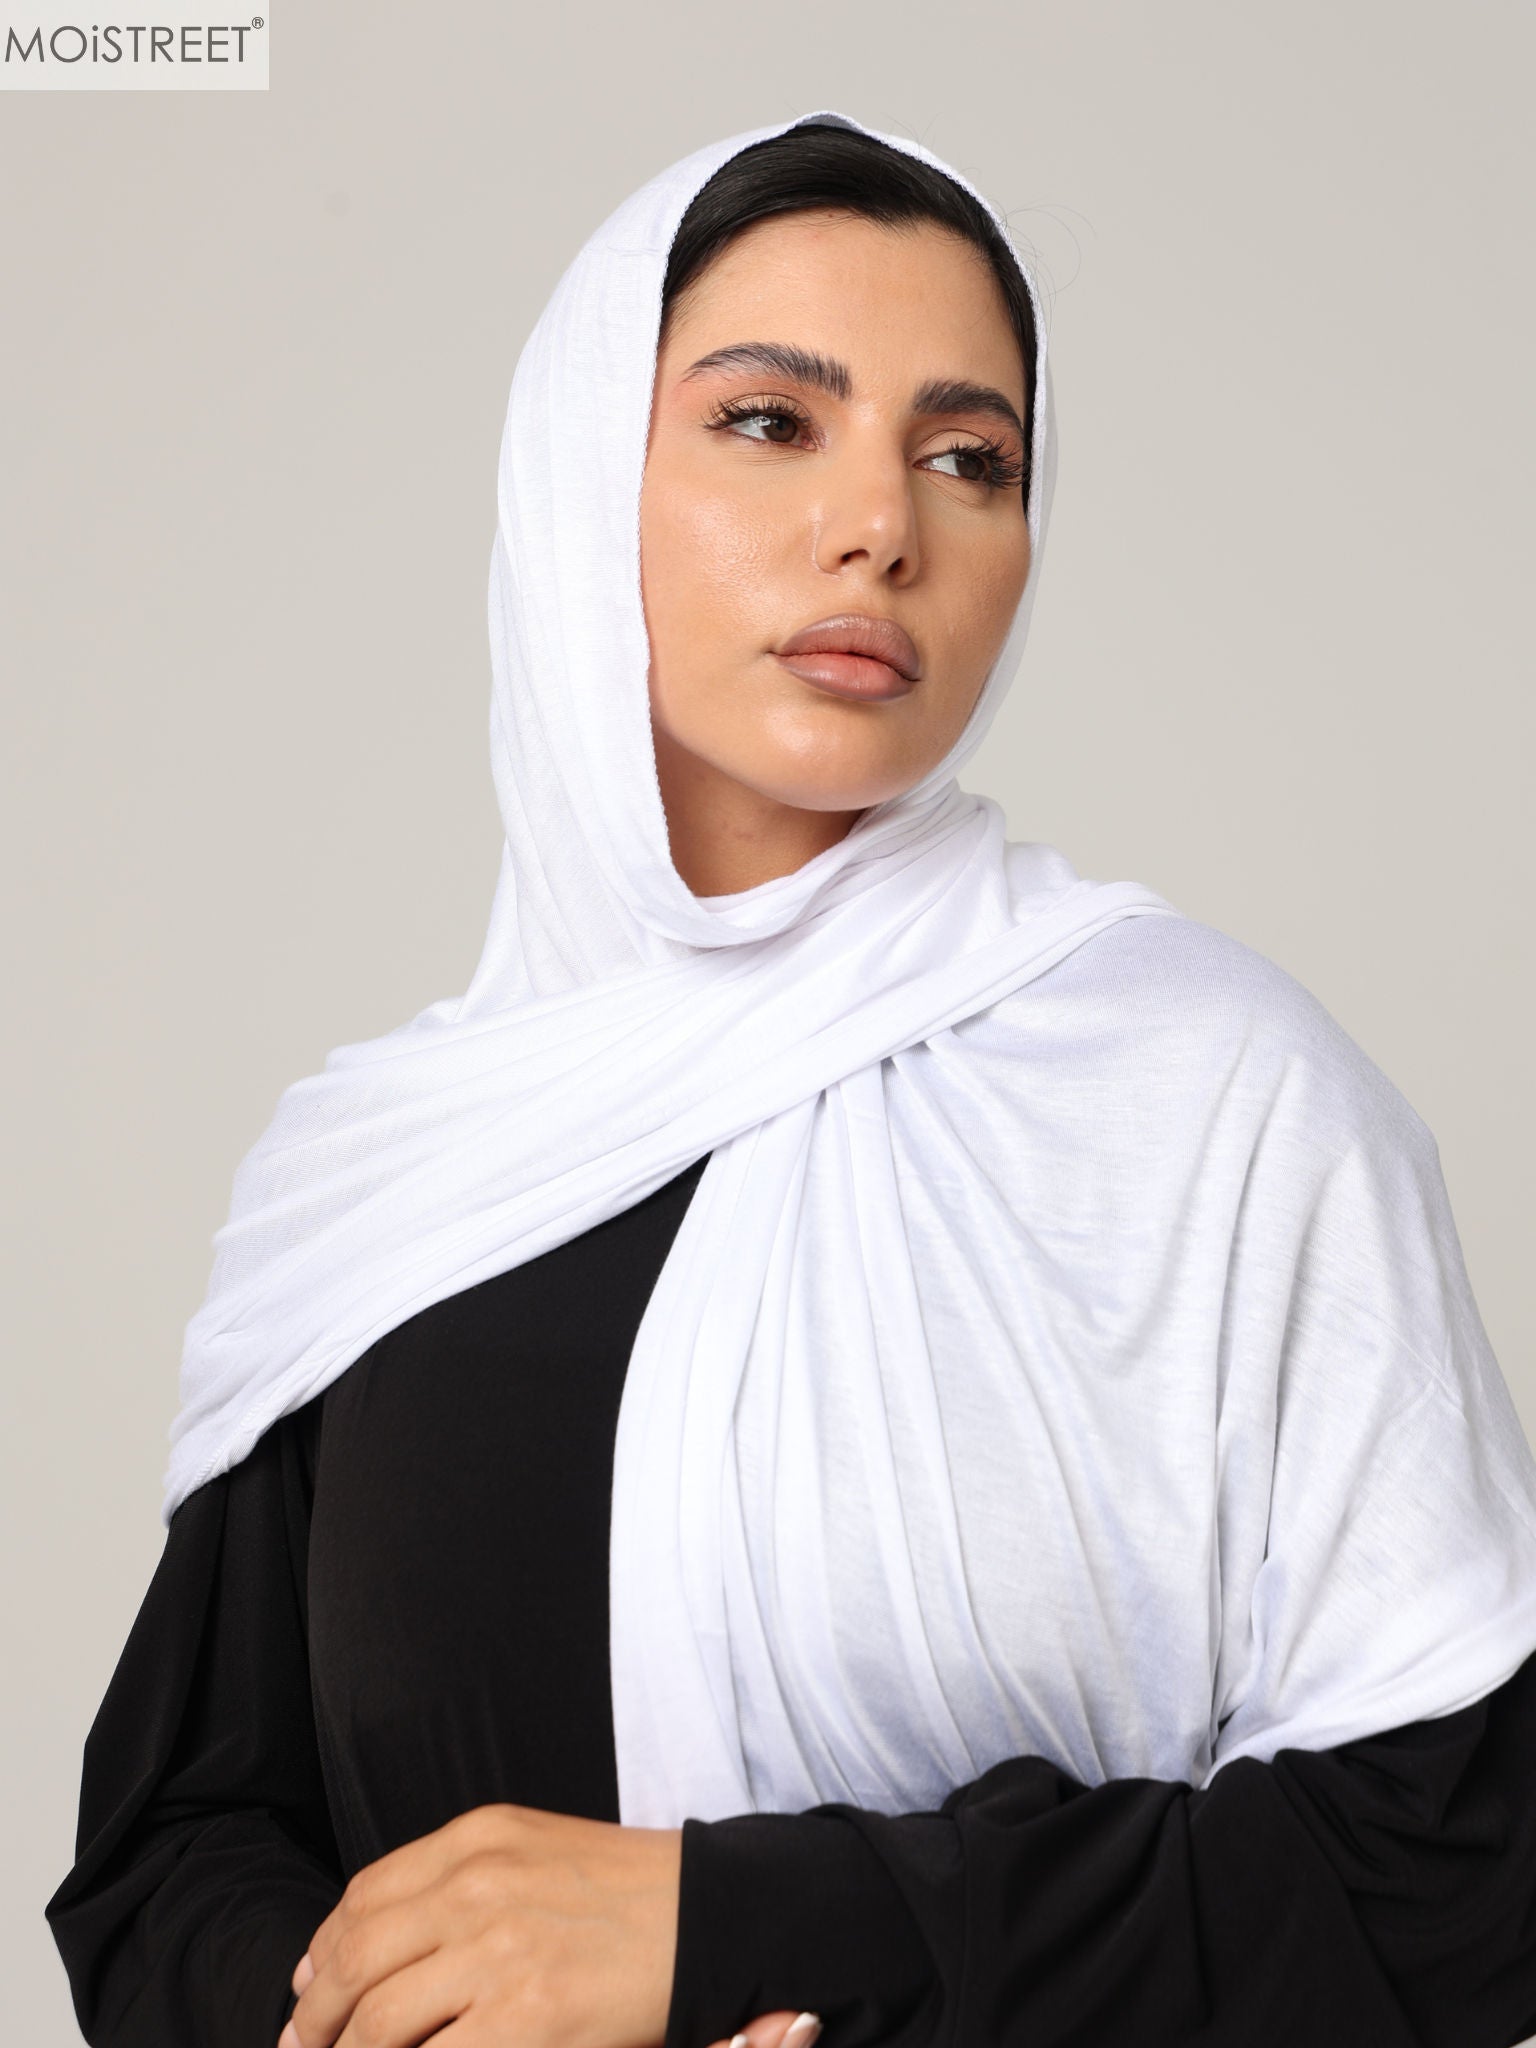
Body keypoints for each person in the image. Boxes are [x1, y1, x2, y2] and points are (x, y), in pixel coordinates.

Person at [45, 111, 1536, 2048]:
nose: (882, 526)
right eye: (770, 421)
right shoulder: (387, 1178)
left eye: (969, 457)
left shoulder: (1215, 1095)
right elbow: (176, 1856)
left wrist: (729, 1931)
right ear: (582, 476)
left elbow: (1461, 1864)